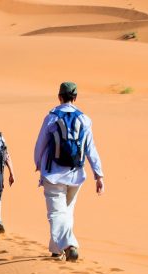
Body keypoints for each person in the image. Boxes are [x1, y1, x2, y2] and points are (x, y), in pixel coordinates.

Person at [33, 82, 104, 262]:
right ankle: (56, 250)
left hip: (53, 174)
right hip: (76, 175)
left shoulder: (51, 117)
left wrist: (38, 164)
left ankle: (70, 245)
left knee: (57, 214)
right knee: (67, 212)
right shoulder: (84, 119)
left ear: (59, 96)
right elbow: (91, 149)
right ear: (75, 97)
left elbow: (40, 144)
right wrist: (98, 174)